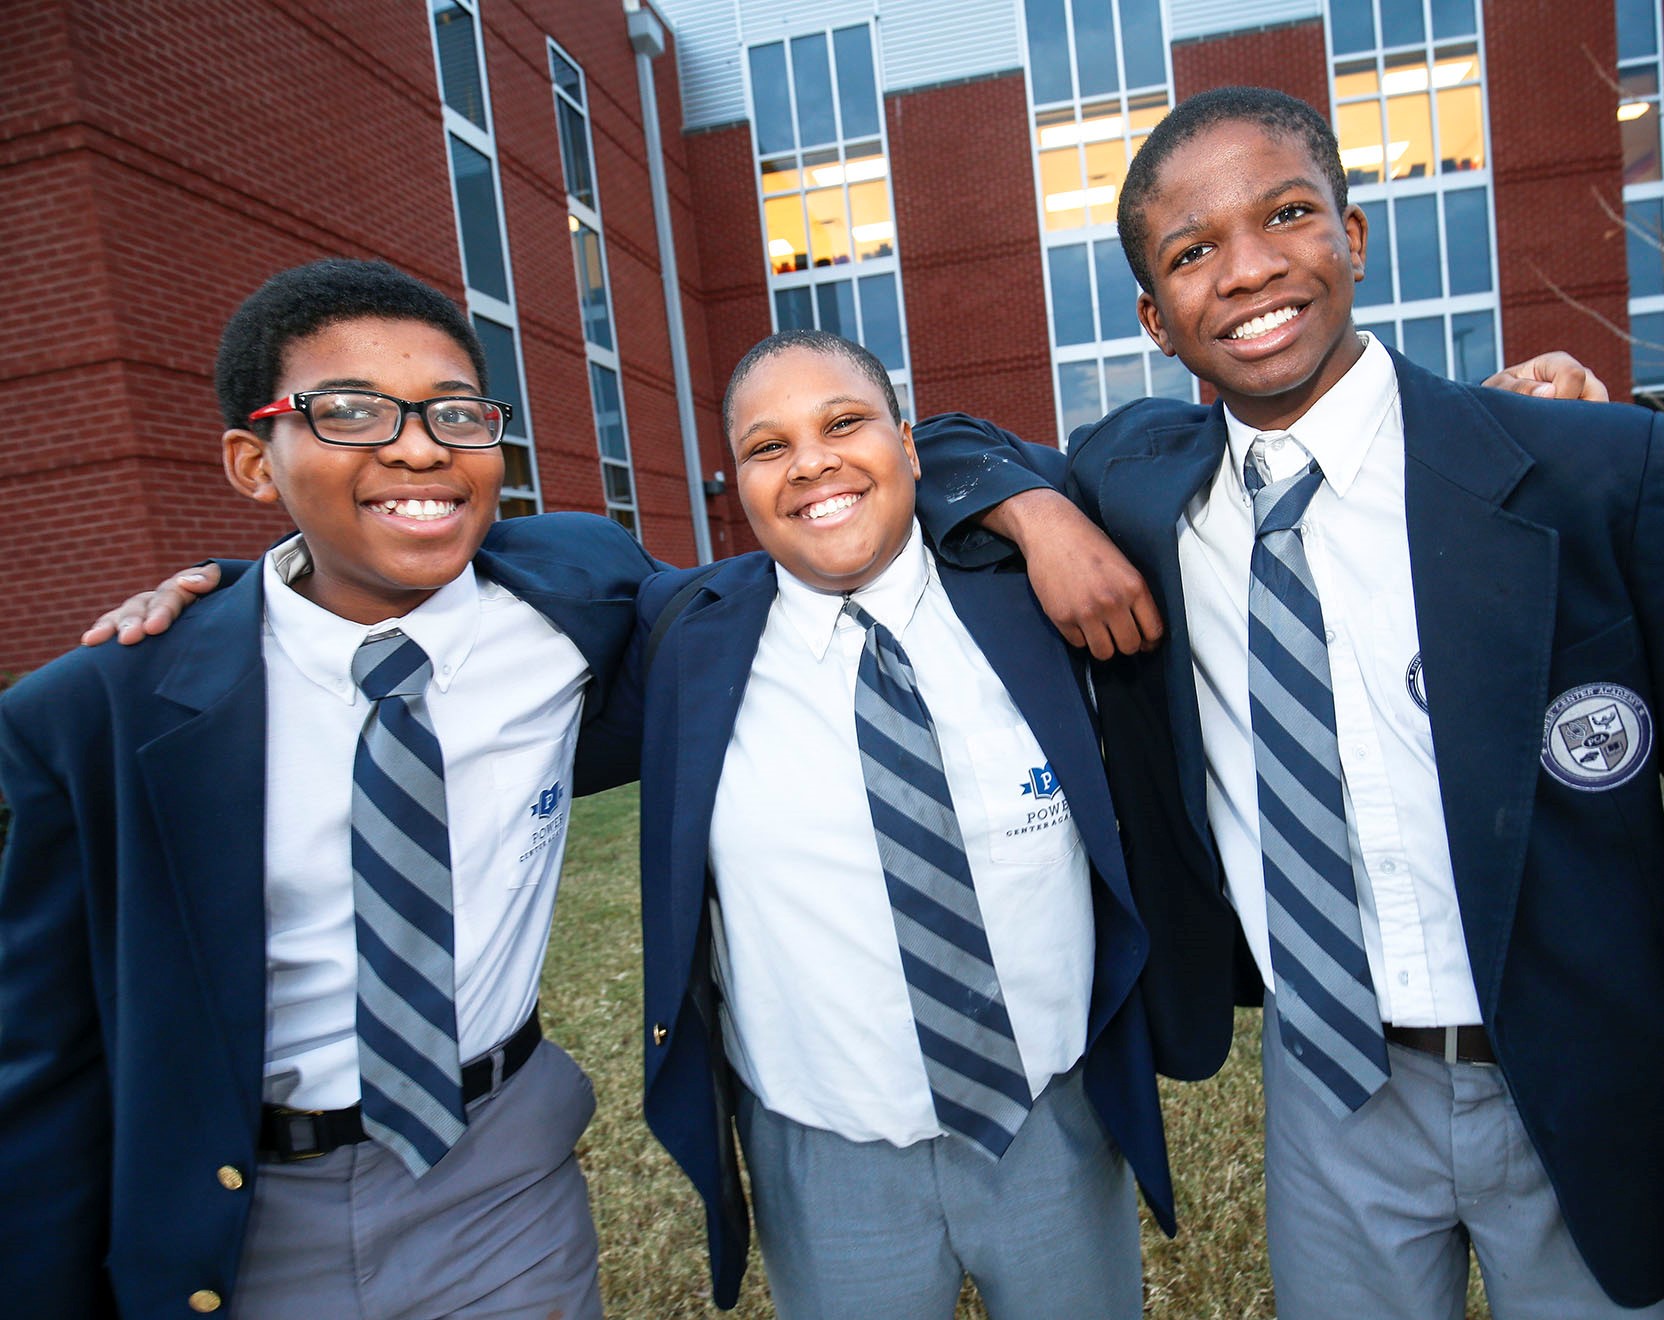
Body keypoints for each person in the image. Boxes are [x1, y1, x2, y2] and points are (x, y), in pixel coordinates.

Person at [908, 87, 1664, 1319]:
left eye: (1288, 214)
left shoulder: (1587, 470)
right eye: (1193, 253)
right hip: (1331, 1091)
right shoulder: (1139, 483)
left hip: (1584, 1075)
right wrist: (1040, 515)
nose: (1249, 271)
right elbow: (938, 447)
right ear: (1155, 317)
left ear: (1353, 240)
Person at [0, 258, 655, 1317]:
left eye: (454, 412)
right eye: (349, 411)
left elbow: (807, 533)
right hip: (247, 1207)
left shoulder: (580, 592)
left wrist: (1012, 497)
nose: (417, 444)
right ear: (256, 464)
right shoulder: (101, 712)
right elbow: (44, 1057)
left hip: (503, 1176)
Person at [601, 329, 1173, 1317]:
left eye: (843, 423)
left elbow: (1098, 454)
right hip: (824, 1157)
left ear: (909, 446)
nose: (812, 462)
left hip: (1054, 1119)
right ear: (735, 484)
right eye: (767, 447)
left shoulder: (1032, 596)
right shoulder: (684, 637)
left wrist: (1033, 511)